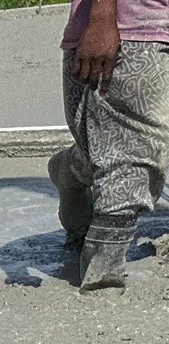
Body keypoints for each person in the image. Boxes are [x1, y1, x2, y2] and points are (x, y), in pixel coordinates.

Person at [48, 0, 169, 290]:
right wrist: (102, 17)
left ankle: (72, 169)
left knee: (108, 153)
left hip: (135, 29)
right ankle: (102, 283)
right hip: (134, 32)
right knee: (132, 164)